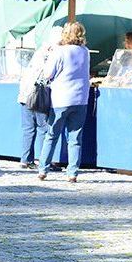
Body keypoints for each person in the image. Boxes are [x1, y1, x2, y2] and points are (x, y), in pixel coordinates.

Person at [37, 23, 91, 182]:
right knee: (75, 138)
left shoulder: (59, 51)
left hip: (61, 98)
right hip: (81, 98)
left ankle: (43, 170)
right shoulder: (85, 52)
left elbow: (47, 74)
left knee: (52, 135)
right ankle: (72, 173)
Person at [17, 42, 55, 170]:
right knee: (44, 128)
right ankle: (44, 160)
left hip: (24, 95)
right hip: (38, 97)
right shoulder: (50, 56)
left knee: (28, 129)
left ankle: (26, 160)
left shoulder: (37, 55)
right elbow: (48, 76)